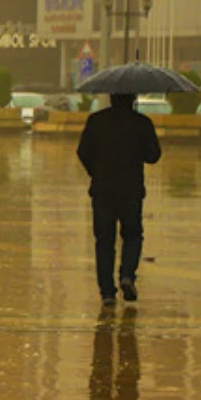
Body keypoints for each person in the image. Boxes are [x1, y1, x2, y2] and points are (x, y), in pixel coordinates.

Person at [76, 93, 162, 304]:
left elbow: (82, 151)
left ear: (111, 97)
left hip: (103, 191)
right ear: (133, 99)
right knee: (133, 235)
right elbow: (154, 156)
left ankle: (107, 292)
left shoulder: (96, 121)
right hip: (131, 190)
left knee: (104, 241)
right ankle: (127, 275)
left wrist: (96, 172)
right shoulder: (141, 123)